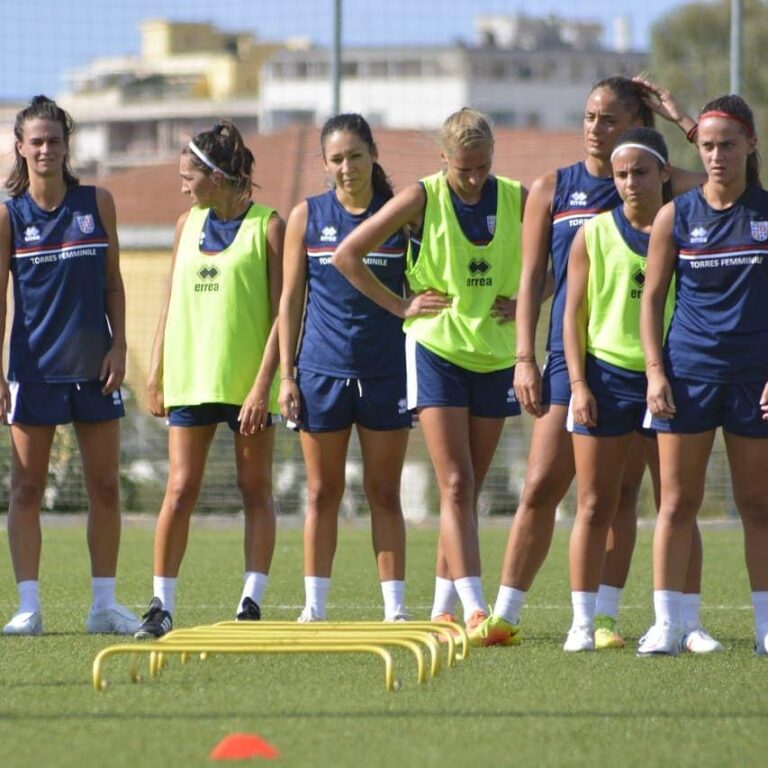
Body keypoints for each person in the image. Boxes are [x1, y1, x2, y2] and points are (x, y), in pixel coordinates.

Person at [477, 76, 712, 649]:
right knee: (541, 485)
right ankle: (506, 612)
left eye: (609, 119)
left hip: (655, 363)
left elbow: (721, 184)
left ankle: (605, 617)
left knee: (627, 494)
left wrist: (680, 118)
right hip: (571, 359)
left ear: (634, 123)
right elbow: (534, 277)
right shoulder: (552, 187)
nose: (595, 128)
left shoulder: (654, 179)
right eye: (589, 117)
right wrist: (524, 358)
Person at [332, 108, 525, 643]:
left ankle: (441, 608)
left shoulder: (515, 196)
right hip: (436, 350)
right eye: (464, 168)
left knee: (468, 490)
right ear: (444, 160)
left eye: (482, 166)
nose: (474, 177)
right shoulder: (422, 196)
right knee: (456, 483)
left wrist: (533, 297)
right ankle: (476, 611)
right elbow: (348, 256)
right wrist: (400, 307)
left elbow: (561, 255)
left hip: (494, 355)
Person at [562, 127, 721, 652]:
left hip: (672, 378)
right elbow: (572, 317)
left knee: (677, 503)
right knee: (593, 503)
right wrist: (579, 383)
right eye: (622, 173)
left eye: (641, 172)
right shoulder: (594, 233)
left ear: (664, 174)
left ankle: (688, 621)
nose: (631, 182)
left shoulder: (686, 229)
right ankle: (584, 621)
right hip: (605, 377)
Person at [134, 121, 283, 638]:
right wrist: (156, 372)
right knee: (180, 488)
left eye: (188, 176)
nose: (183, 186)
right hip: (190, 377)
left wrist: (263, 385)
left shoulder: (269, 226)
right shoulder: (185, 225)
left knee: (254, 488)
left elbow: (284, 314)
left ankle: (251, 602)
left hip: (248, 387)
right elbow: (171, 303)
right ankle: (161, 605)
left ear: (216, 175)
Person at [0, 95, 138, 635]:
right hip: (33, 371)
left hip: (94, 368)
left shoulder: (97, 202)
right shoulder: (9, 215)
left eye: (54, 140)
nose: (45, 149)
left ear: (66, 145)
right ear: (19, 147)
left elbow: (114, 283)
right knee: (26, 489)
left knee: (105, 487)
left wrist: (120, 345)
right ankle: (28, 607)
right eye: (35, 141)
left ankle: (103, 606)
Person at [639, 95, 768, 656]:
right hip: (687, 376)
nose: (717, 155)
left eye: (728, 145)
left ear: (751, 147)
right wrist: (655, 373)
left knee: (758, 503)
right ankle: (669, 624)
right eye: (708, 146)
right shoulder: (676, 214)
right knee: (676, 502)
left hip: (753, 380)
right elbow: (651, 301)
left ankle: (765, 624)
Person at [278, 114, 412, 622]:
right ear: (325, 164)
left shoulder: (399, 215)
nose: (347, 167)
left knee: (384, 492)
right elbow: (292, 299)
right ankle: (313, 608)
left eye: (355, 155)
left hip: (386, 373)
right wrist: (287, 375)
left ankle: (394, 609)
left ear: (373, 154)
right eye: (336, 158)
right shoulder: (306, 216)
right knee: (321, 491)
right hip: (320, 374)